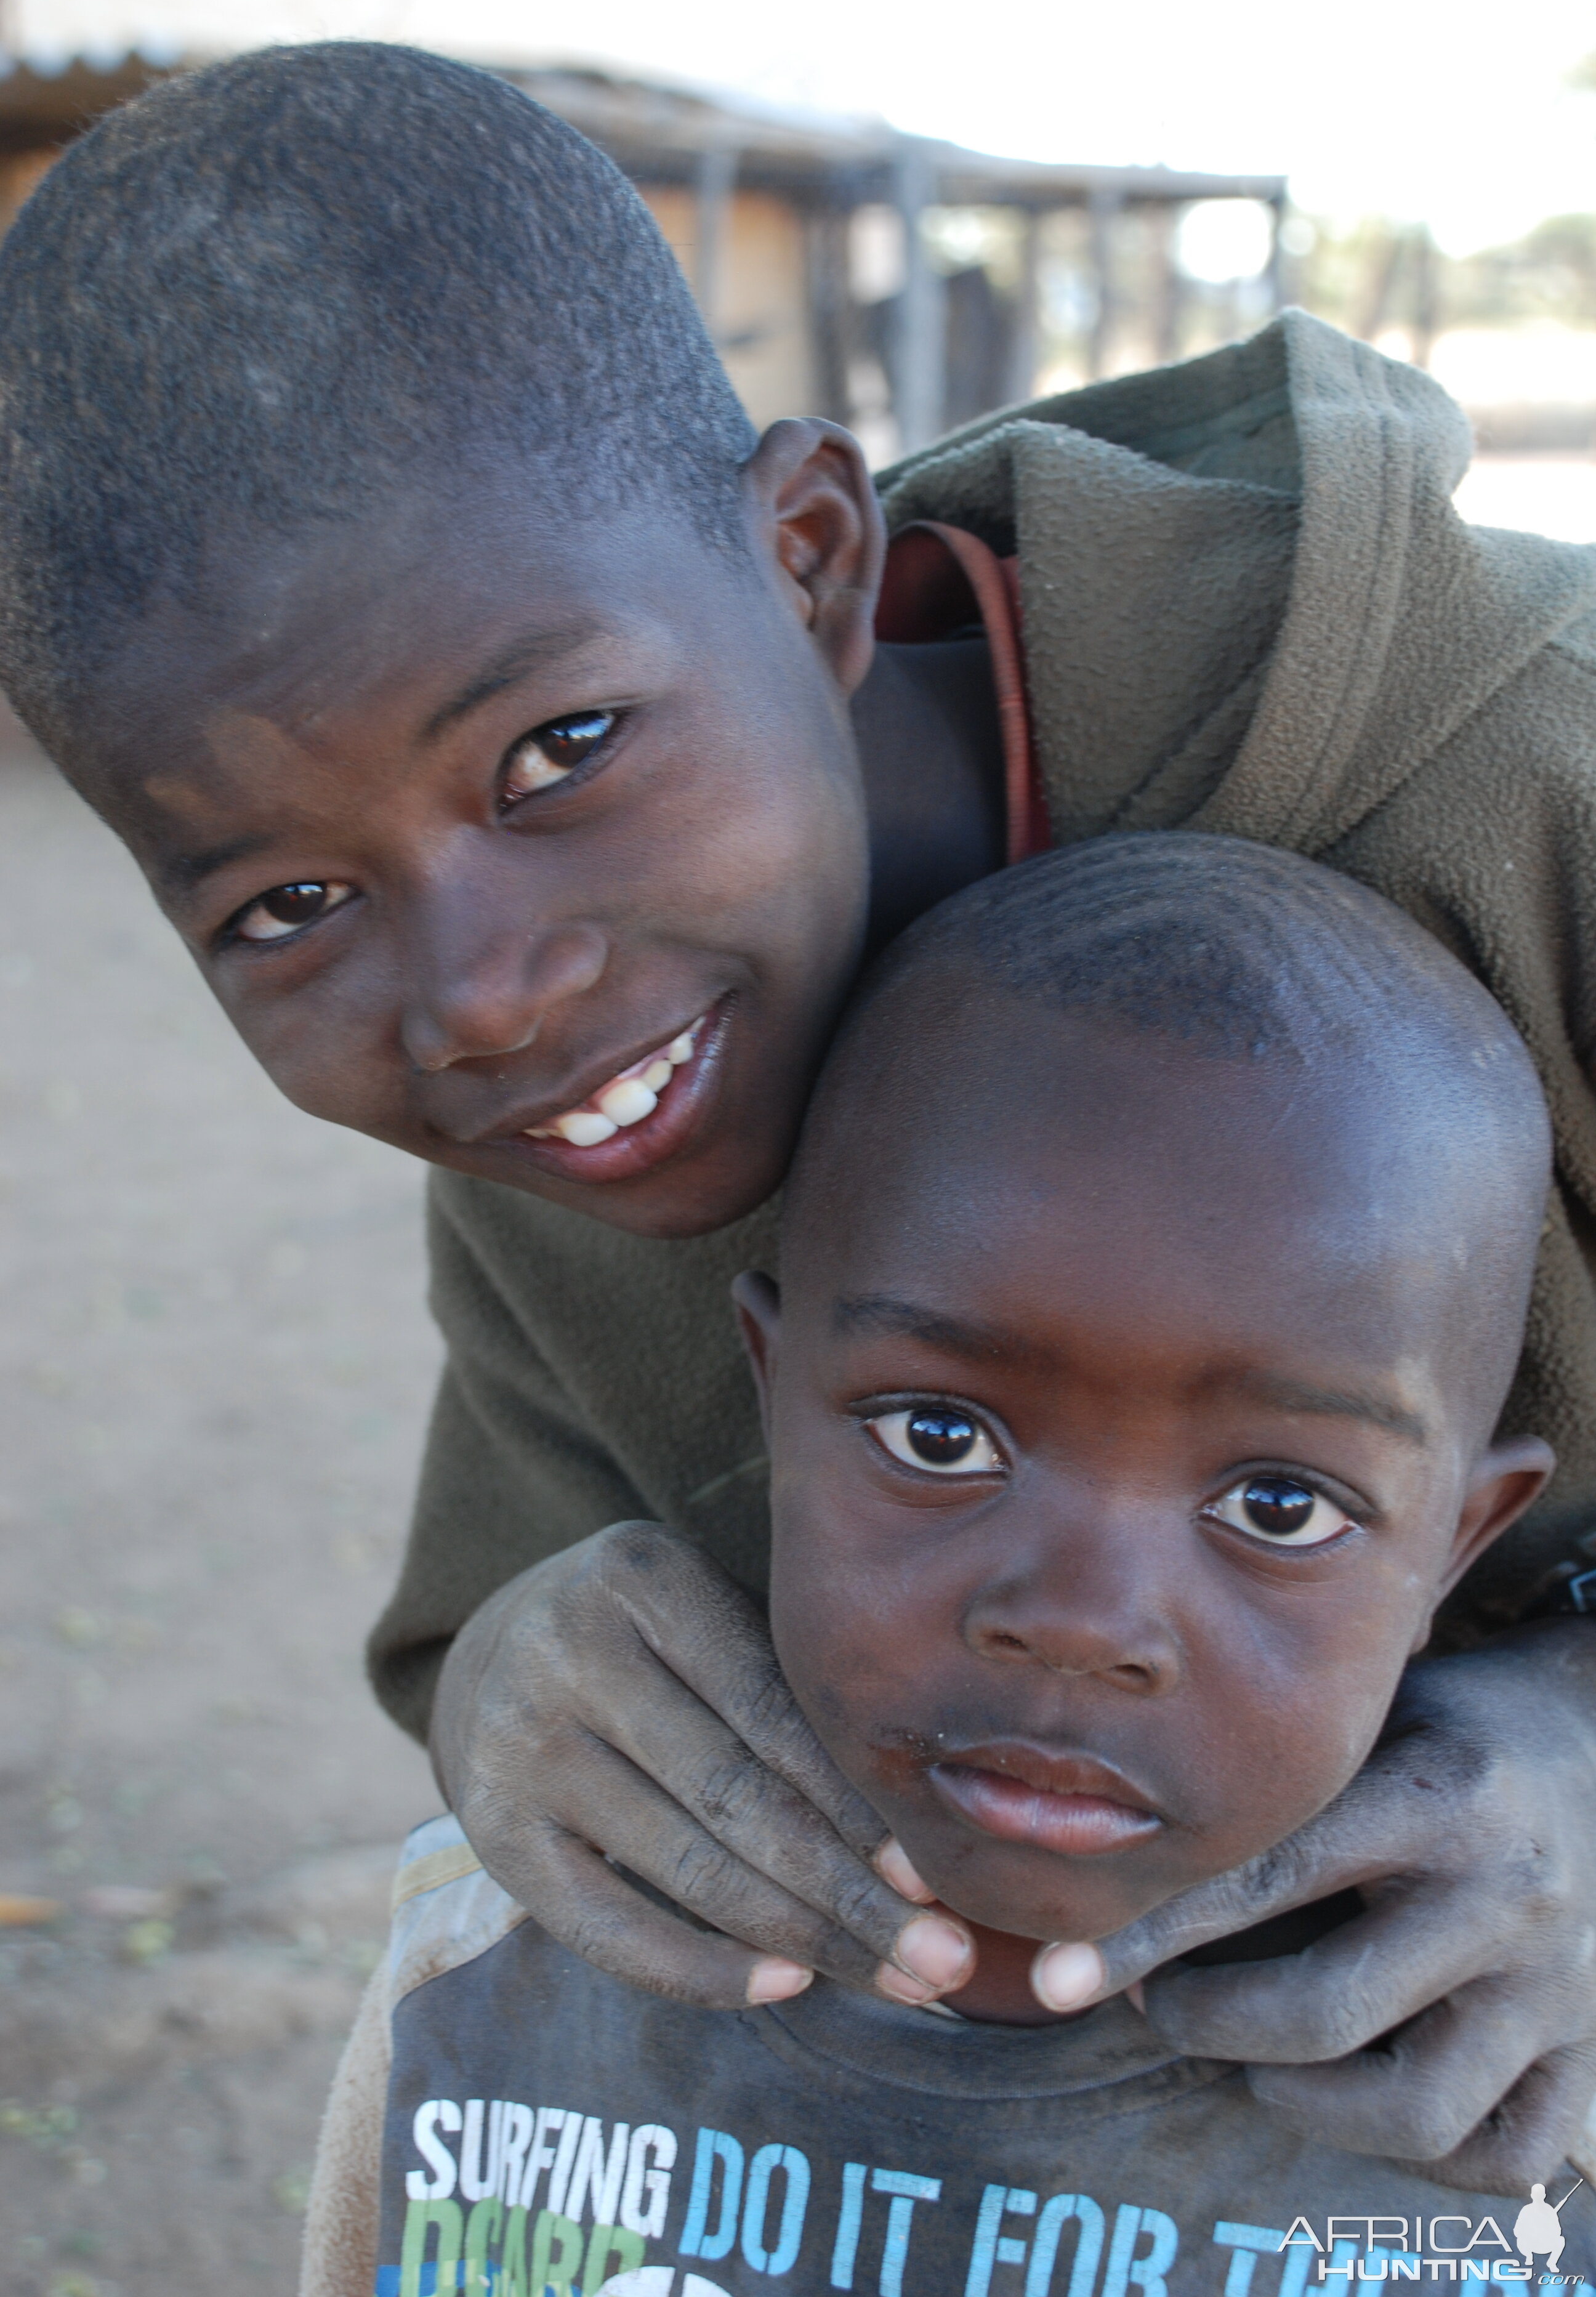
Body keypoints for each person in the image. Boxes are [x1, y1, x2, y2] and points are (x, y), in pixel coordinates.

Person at [4, 40, 1596, 2173]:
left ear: (813, 557)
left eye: (560, 747)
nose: (484, 992)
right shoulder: (591, 1113)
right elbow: (508, 1607)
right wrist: (520, 1688)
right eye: (289, 900)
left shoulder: (1529, 784)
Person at [301, 838, 1591, 2297]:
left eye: (1281, 1505)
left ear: (1461, 1544)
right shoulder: (492, 1977)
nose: (1078, 1622)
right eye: (940, 1431)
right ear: (771, 1393)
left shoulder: (1545, 2105)